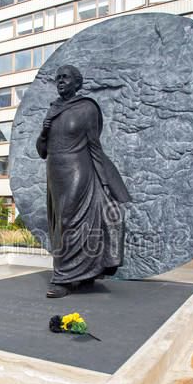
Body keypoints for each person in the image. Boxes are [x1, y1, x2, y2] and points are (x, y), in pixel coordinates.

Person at [37, 65, 131, 298]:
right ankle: (85, 275)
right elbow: (41, 151)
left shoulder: (87, 108)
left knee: (71, 220)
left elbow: (94, 146)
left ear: (77, 83)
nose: (60, 81)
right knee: (60, 225)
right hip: (55, 173)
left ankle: (64, 279)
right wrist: (44, 131)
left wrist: (106, 183)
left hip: (78, 170)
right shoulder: (53, 109)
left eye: (65, 78)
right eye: (57, 78)